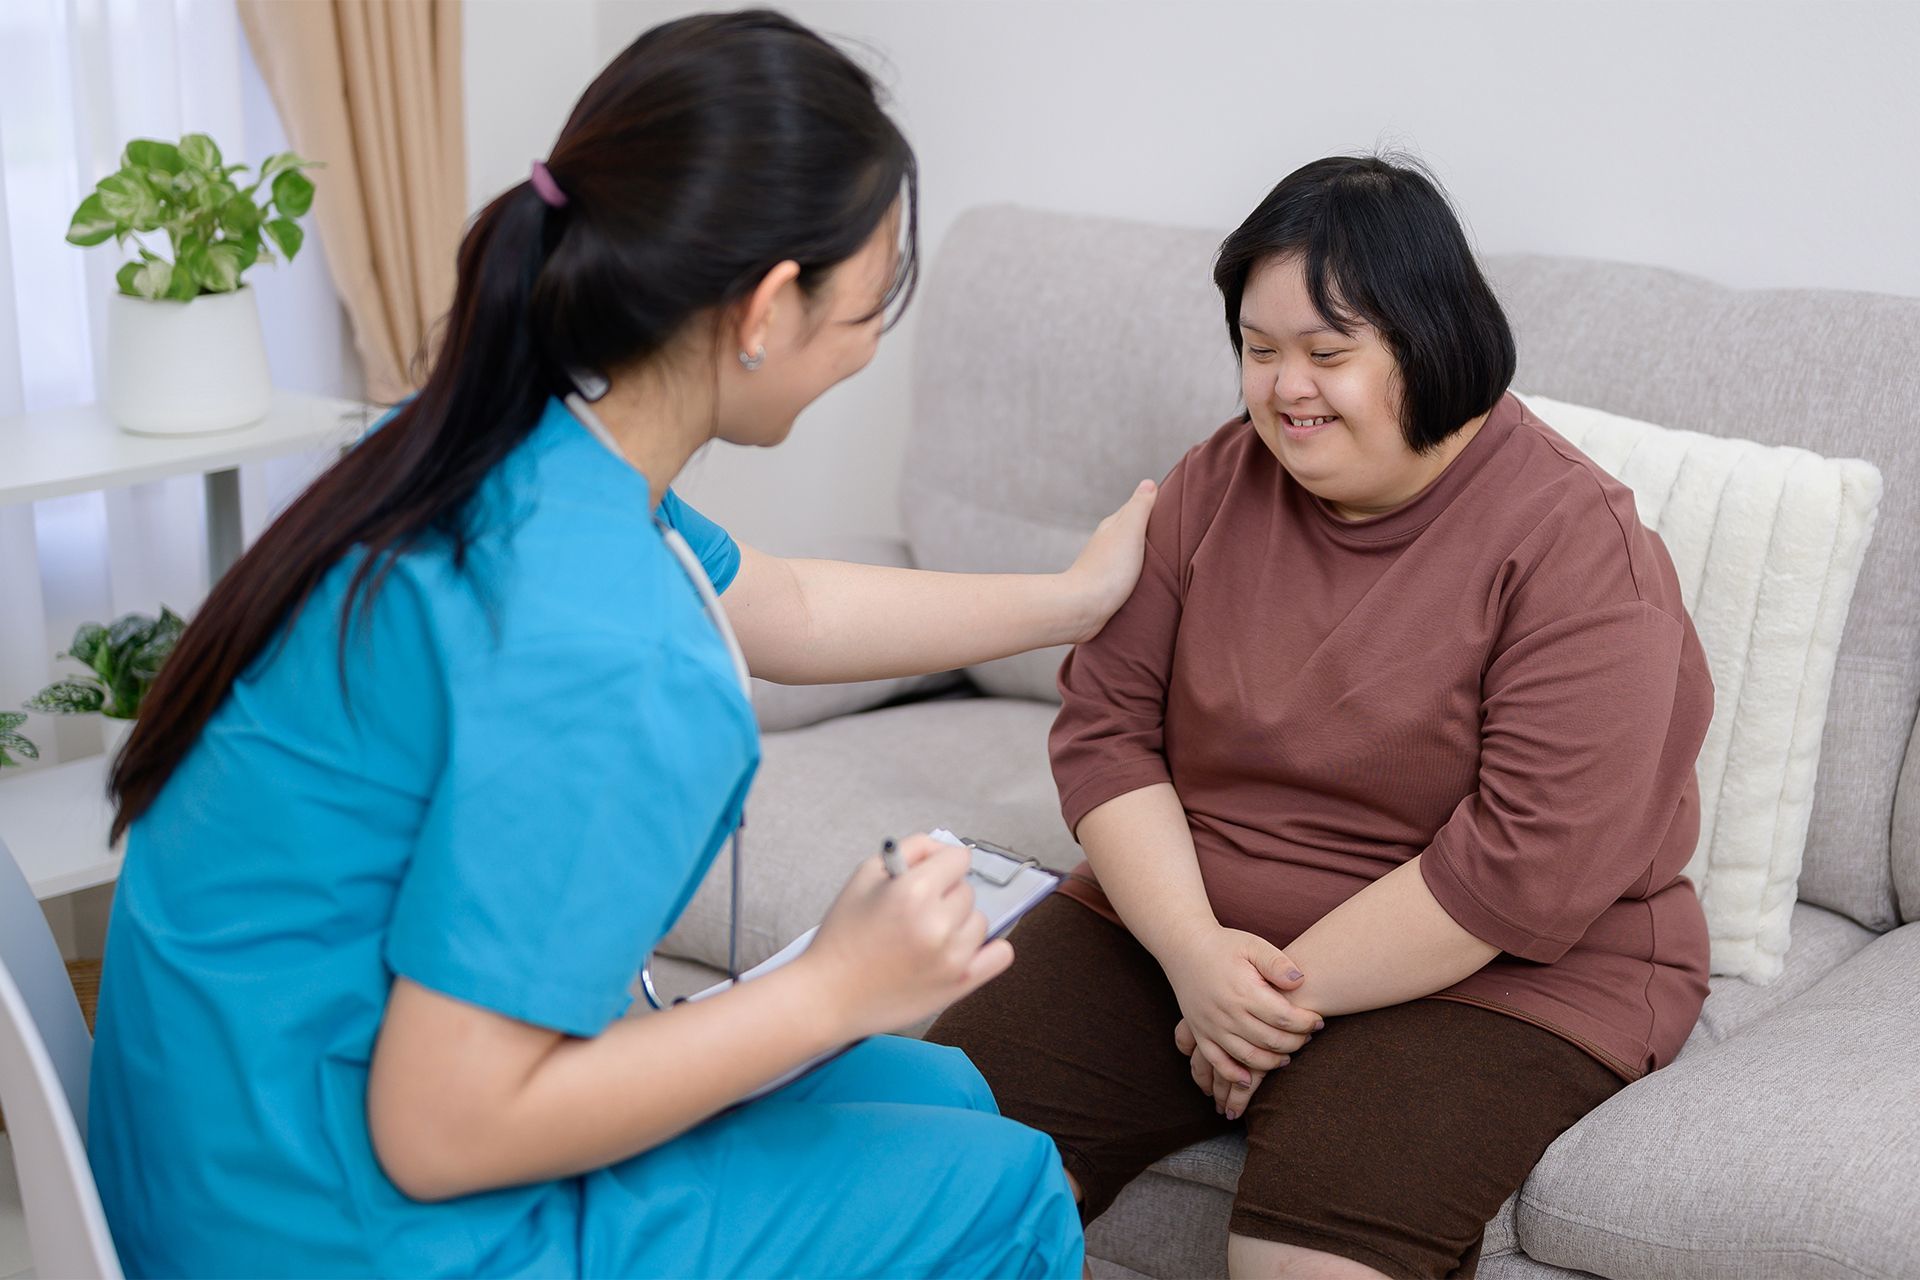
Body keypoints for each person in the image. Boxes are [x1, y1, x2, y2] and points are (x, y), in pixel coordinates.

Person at [86, 12, 1156, 1278]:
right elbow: (439, 1131)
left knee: (951, 1097)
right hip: (331, 1219)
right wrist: (828, 989)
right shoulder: (608, 642)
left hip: (213, 1138)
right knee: (1009, 1182)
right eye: (870, 310)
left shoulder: (517, 446)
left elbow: (790, 608)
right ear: (764, 309)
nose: (870, 349)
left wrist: (1075, 597)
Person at [928, 155, 1715, 1280]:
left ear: (1430, 340)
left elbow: (1523, 861)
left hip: (1495, 972)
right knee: (931, 1178)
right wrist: (1198, 958)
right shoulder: (1215, 479)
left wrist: (1254, 1004)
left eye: (1328, 353)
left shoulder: (1577, 542)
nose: (1286, 388)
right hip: (1188, 925)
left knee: (1302, 1260)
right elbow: (1107, 732)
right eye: (1261, 349)